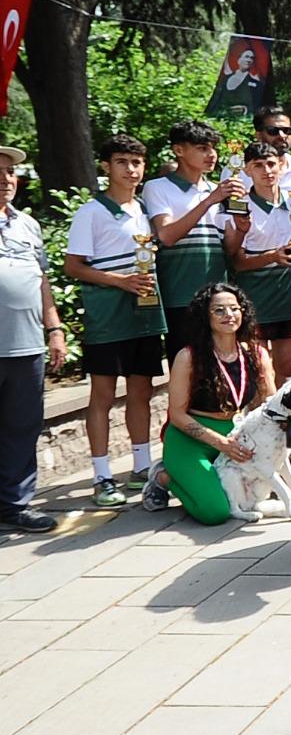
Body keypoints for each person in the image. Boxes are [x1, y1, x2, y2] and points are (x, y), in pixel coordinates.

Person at [64, 134, 165, 507]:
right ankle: (102, 476)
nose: (131, 169)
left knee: (141, 391)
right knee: (103, 396)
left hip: (144, 314)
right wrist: (120, 281)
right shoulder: (91, 211)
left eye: (136, 162)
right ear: (106, 166)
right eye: (122, 162)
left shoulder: (143, 210)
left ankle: (141, 466)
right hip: (107, 316)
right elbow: (73, 266)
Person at [140, 282, 275, 523]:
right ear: (205, 316)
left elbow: (269, 403)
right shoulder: (188, 357)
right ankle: (163, 477)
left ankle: (208, 476)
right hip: (191, 437)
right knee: (215, 512)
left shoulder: (257, 353)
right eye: (219, 310)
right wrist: (221, 443)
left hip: (235, 431)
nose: (228, 315)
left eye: (234, 308)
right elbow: (177, 415)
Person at [0, 145, 69, 532]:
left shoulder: (27, 224)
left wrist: (54, 328)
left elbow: (41, 280)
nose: (5, 179)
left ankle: (15, 505)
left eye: (10, 172)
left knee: (23, 427)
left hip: (26, 345)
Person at [144, 119, 243, 359]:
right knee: (185, 366)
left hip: (218, 298)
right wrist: (209, 201)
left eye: (213, 148)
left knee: (221, 364)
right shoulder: (157, 187)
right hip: (180, 296)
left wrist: (241, 229)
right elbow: (167, 235)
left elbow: (228, 249)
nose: (212, 154)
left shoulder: (217, 189)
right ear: (178, 150)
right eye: (202, 148)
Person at [224, 143, 291, 380]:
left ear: (281, 166)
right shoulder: (239, 207)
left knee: (286, 368)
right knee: (259, 370)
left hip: (288, 297)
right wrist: (273, 257)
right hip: (254, 300)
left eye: (271, 164)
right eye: (258, 165)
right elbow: (236, 262)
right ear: (247, 170)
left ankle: (286, 407)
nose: (267, 171)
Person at [253, 106, 291, 183]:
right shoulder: (242, 172)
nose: (282, 136)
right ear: (259, 135)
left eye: (286, 130)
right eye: (273, 130)